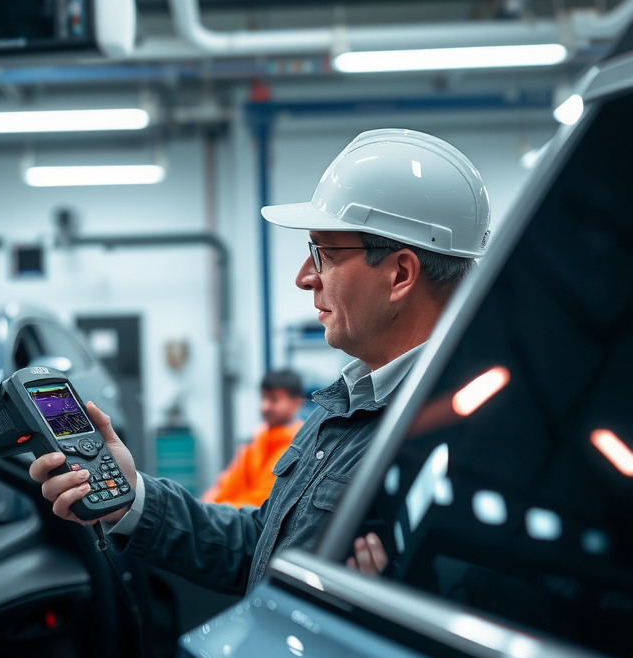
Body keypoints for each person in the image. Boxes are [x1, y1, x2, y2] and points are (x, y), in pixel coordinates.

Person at [30, 128, 491, 592]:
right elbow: (261, 548)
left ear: (400, 275)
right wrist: (131, 500)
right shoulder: (348, 408)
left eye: (324, 253)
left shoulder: (462, 442)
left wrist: (395, 615)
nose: (304, 277)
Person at [202, 369, 304, 508]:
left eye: (274, 400)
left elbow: (263, 502)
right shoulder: (257, 439)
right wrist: (206, 507)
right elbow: (227, 484)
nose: (265, 406)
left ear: (296, 403)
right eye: (264, 398)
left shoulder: (298, 446)